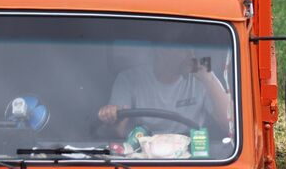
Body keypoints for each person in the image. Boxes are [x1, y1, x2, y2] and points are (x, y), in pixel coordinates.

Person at [98, 43, 233, 138]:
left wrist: (209, 79)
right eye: (182, 48)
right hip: (143, 154)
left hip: (192, 155)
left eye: (190, 49)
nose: (190, 55)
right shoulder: (129, 79)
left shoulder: (201, 79)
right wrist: (111, 117)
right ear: (160, 50)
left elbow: (229, 126)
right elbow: (118, 133)